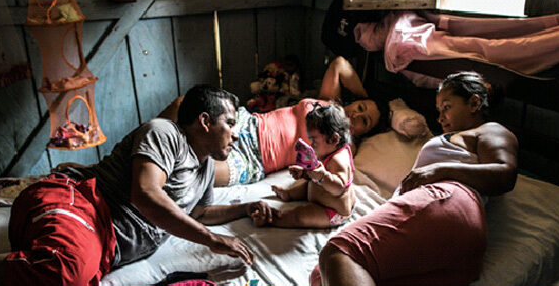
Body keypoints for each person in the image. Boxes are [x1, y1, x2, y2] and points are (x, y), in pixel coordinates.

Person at [0, 85, 281, 286]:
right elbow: (145, 195)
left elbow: (200, 212)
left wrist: (244, 208)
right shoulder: (165, 133)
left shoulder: (202, 170)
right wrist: (215, 240)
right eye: (231, 123)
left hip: (104, 246)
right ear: (204, 121)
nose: (235, 134)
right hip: (82, 204)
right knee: (64, 275)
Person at [309, 71, 519, 286]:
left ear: (474, 102)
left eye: (447, 106)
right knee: (322, 278)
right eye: (438, 109)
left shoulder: (491, 130)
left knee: (338, 252)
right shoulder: (452, 136)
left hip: (451, 201)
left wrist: (436, 169)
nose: (440, 116)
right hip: (451, 250)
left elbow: (506, 173)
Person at [158, 56, 389, 188]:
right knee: (181, 105)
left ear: (364, 132)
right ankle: (138, 148)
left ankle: (147, 177)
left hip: (254, 161)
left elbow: (337, 178)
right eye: (359, 108)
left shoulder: (343, 146)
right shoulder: (326, 102)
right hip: (246, 124)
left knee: (193, 171)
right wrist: (366, 97)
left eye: (365, 121)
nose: (357, 116)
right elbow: (339, 64)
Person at [254, 103, 357, 228]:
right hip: (323, 193)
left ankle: (274, 220)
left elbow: (339, 188)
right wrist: (305, 173)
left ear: (334, 139)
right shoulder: (328, 149)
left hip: (333, 211)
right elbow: (316, 175)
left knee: (300, 216)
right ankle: (289, 194)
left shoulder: (337, 160)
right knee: (307, 184)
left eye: (314, 140)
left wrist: (322, 176)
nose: (311, 144)